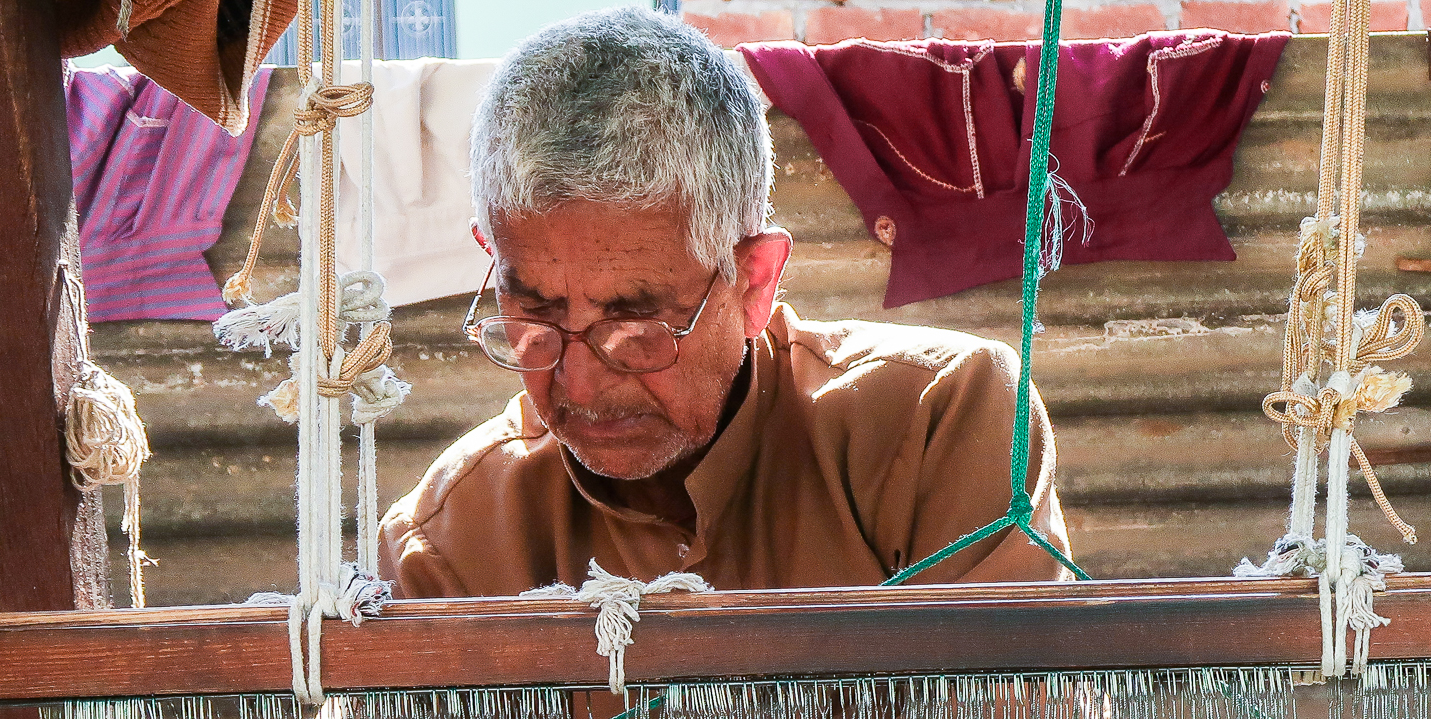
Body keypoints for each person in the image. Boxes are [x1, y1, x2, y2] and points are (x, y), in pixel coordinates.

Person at [378, 5, 1073, 598]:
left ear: (755, 283)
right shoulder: (448, 543)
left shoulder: (935, 425)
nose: (580, 384)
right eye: (535, 313)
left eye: (636, 324)